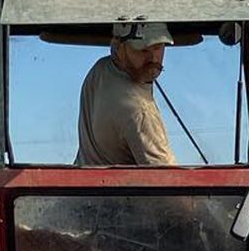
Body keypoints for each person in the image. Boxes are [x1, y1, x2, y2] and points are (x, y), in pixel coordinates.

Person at [75, 20, 177, 167]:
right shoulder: (139, 112)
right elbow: (169, 179)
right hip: (114, 188)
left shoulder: (100, 69)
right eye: (143, 50)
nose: (153, 58)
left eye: (158, 47)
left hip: (86, 183)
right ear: (118, 48)